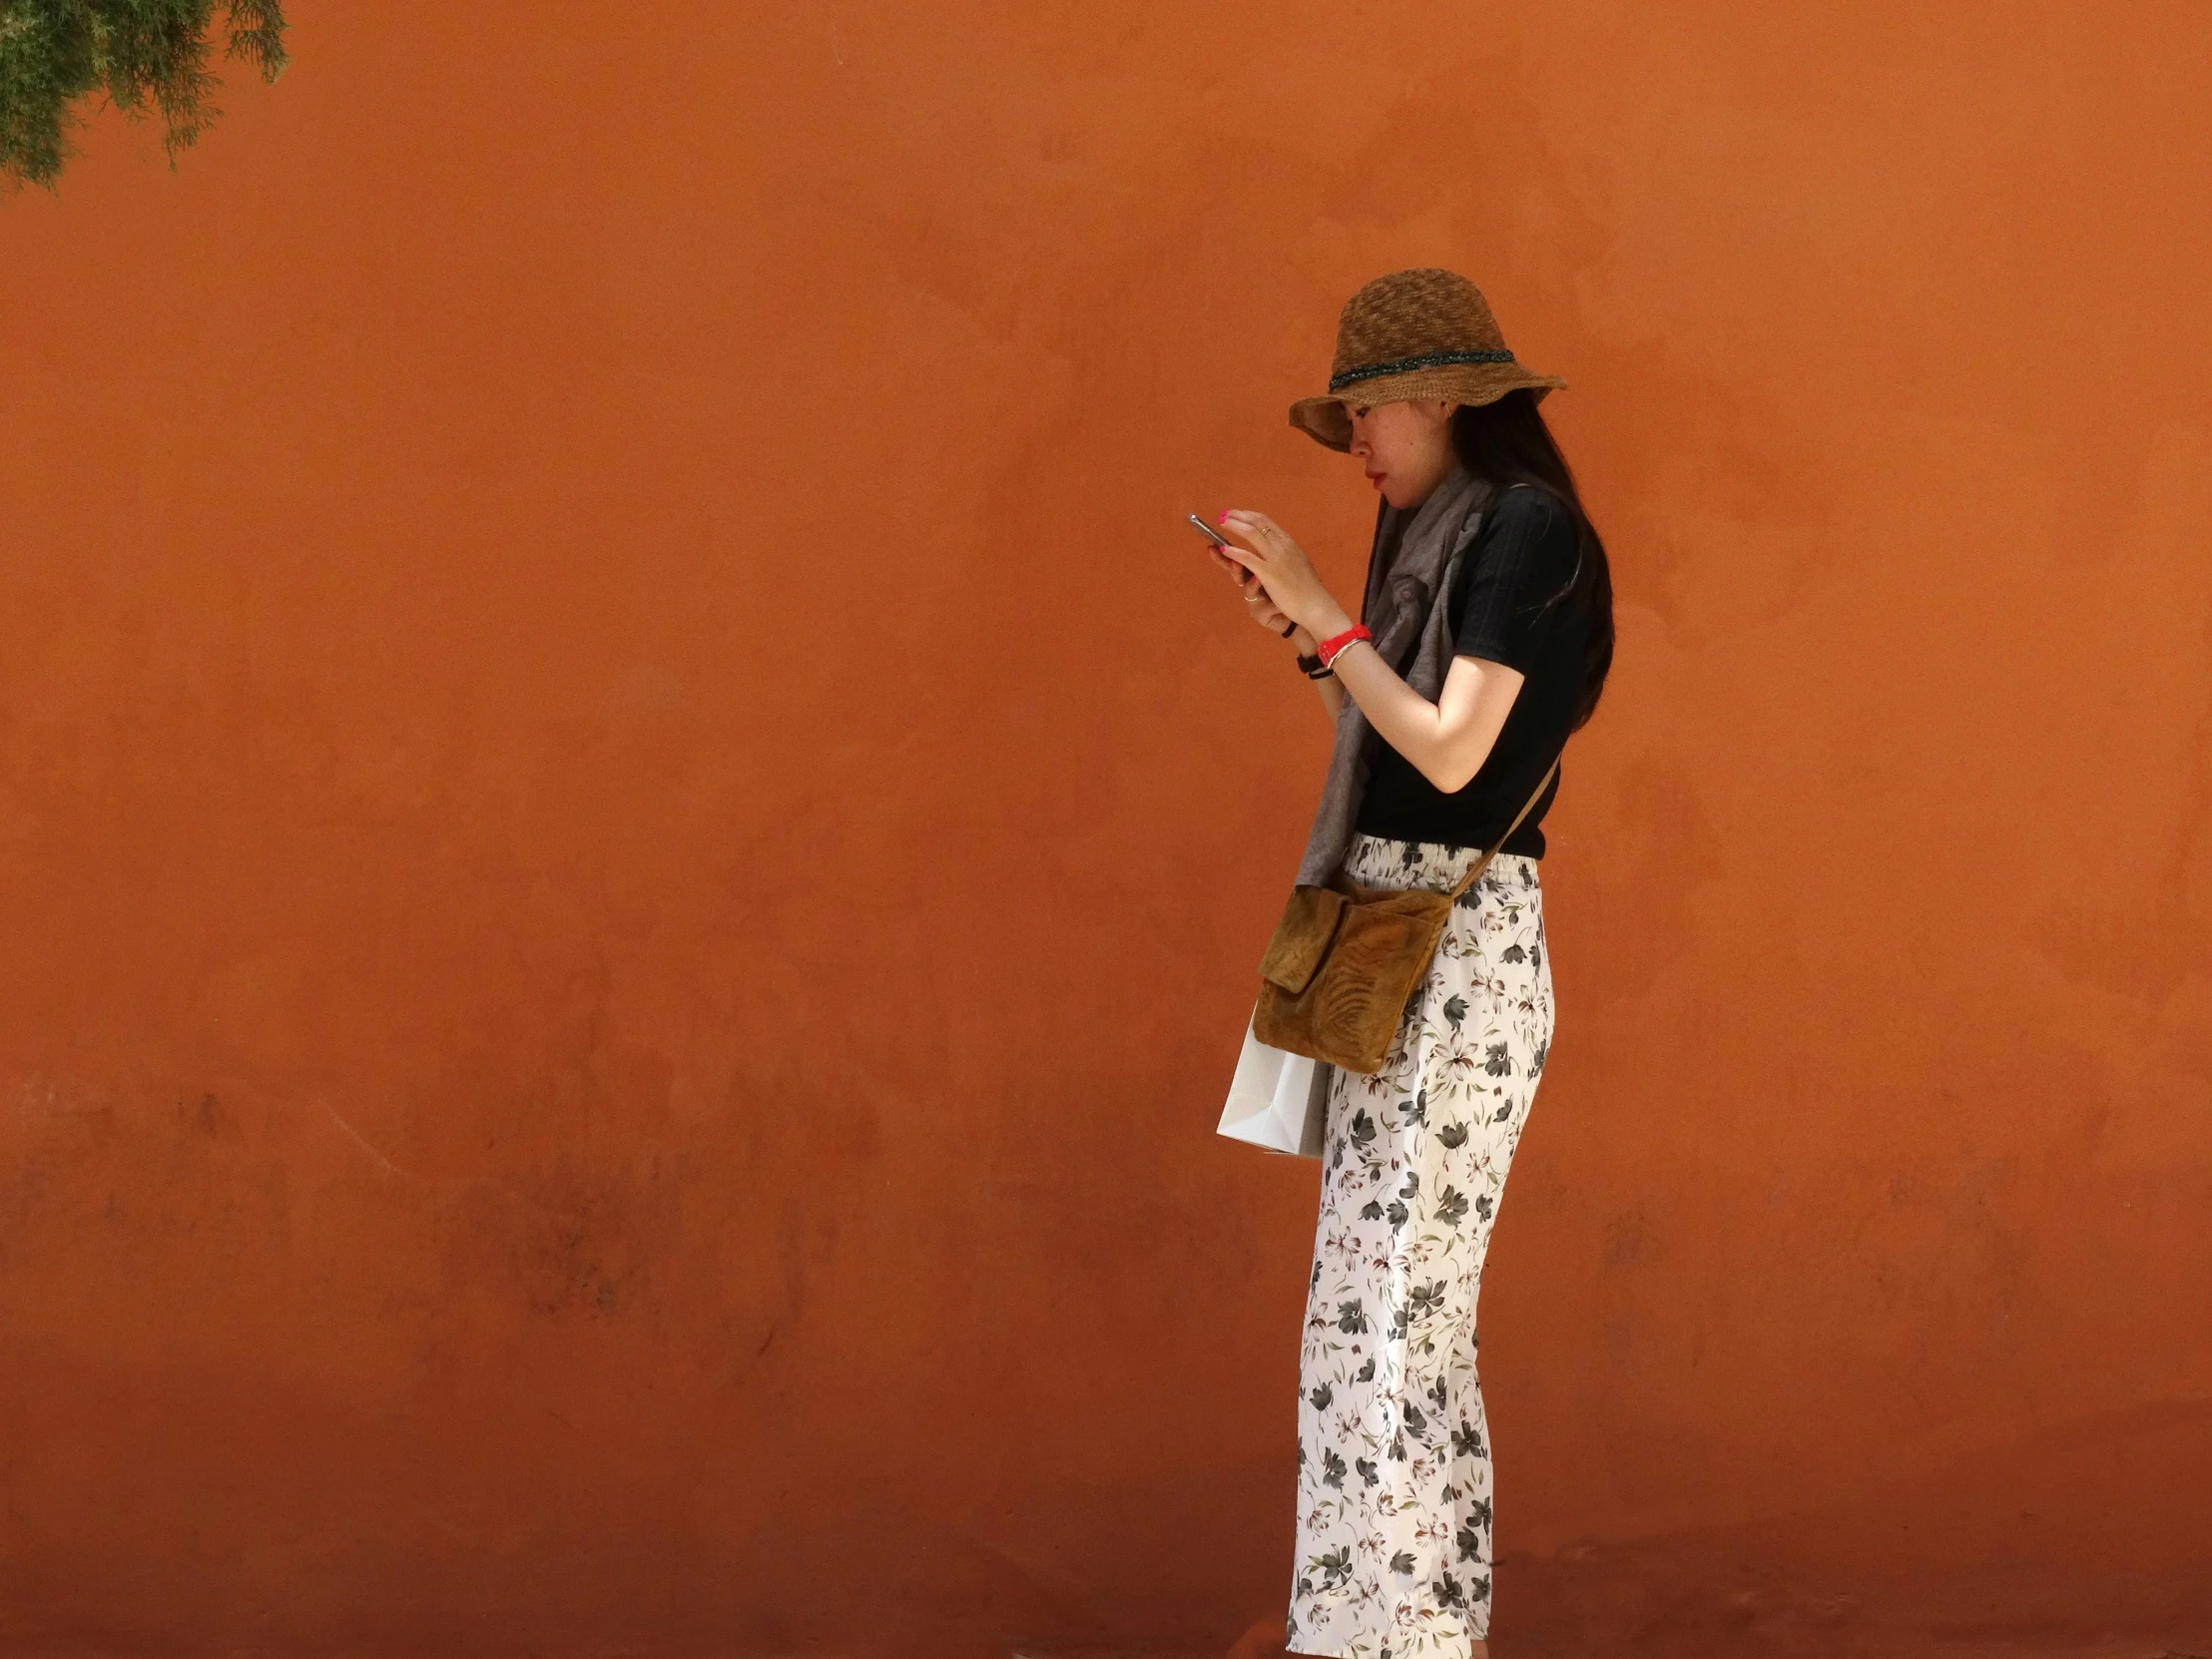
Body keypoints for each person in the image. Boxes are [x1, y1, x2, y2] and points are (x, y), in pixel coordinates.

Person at [1208, 268, 1615, 1659]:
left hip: (1462, 950)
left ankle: (1404, 1642)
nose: (1359, 445)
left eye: (1371, 410)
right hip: (1399, 934)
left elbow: (1452, 747)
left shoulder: (1529, 534)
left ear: (1446, 395)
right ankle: (1371, 1634)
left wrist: (1330, 615)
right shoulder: (1436, 530)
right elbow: (1402, 738)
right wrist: (1321, 642)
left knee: (1396, 1324)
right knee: (1363, 1324)